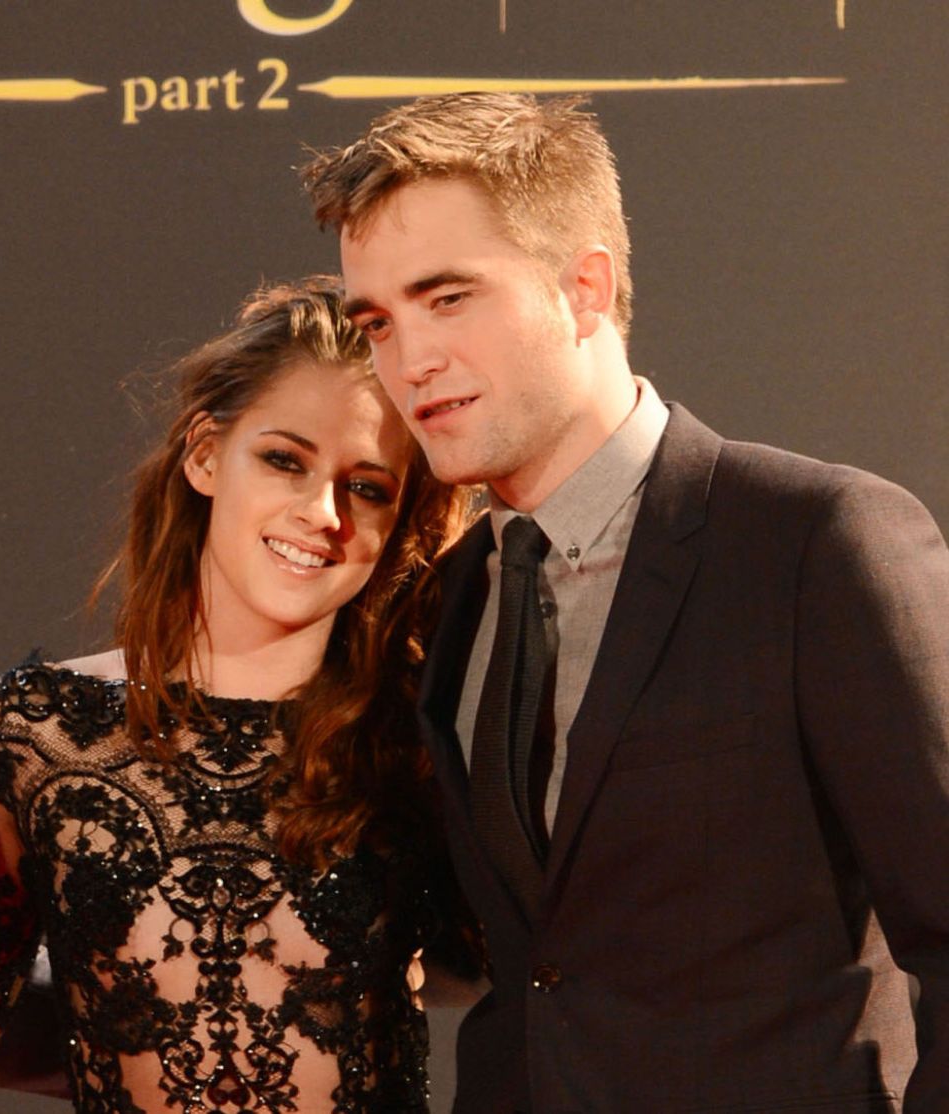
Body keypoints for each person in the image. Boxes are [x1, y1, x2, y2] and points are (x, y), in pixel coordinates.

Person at [303, 93, 949, 1113]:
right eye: (378, 323)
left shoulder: (814, 541)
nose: (409, 361)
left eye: (449, 298)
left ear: (586, 287)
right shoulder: (455, 594)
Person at [0, 276, 473, 1112]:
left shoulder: (417, 742)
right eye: (284, 460)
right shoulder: (35, 735)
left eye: (368, 487)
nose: (323, 512)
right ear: (203, 454)